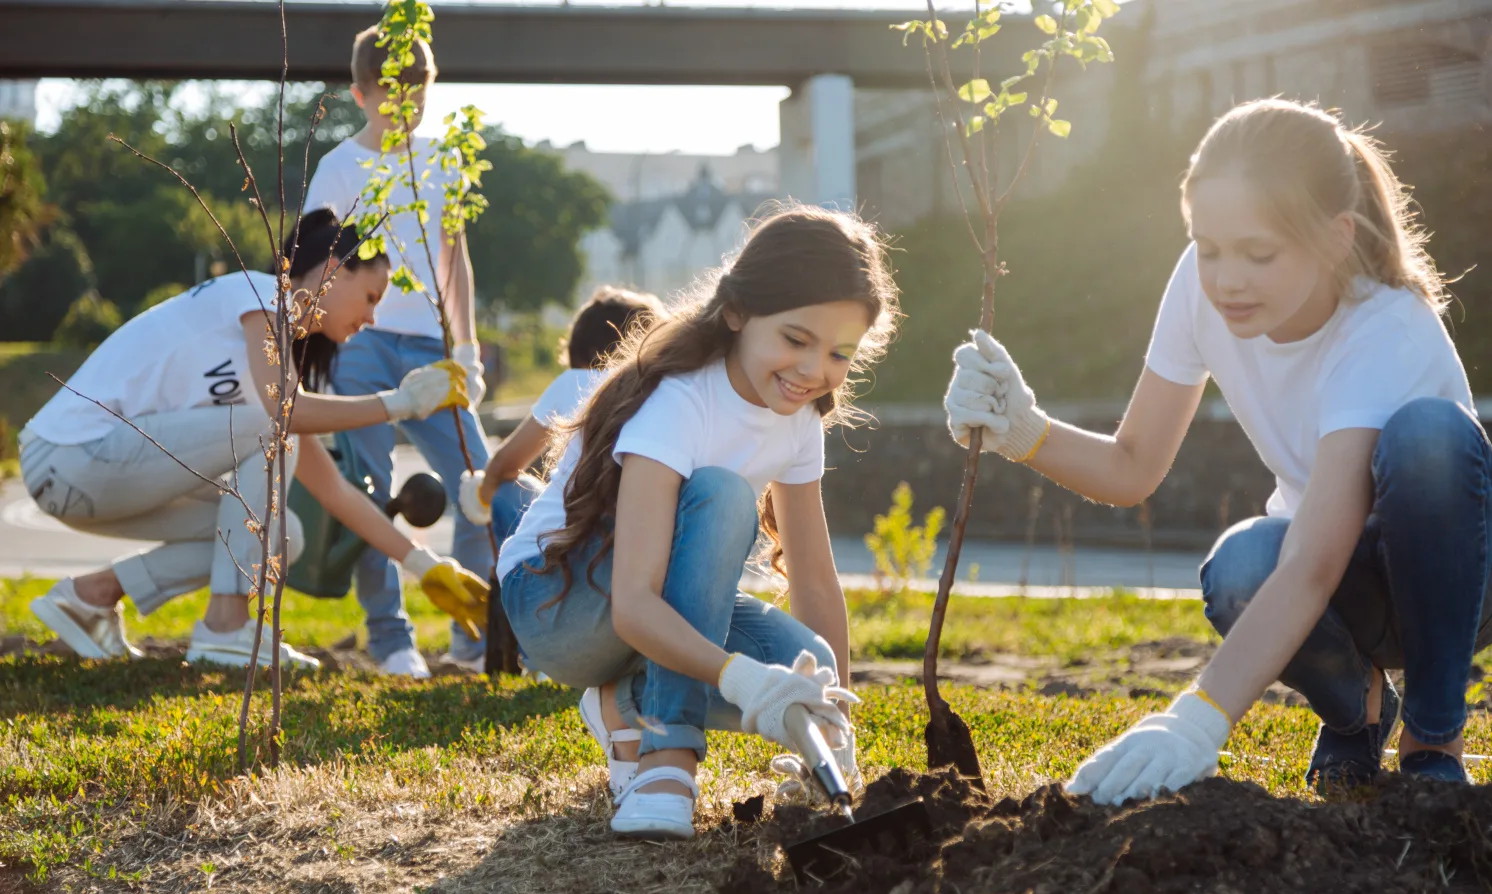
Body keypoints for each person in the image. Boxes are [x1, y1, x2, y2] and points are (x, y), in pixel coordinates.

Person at [944, 98, 1483, 804]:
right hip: (1341, 583)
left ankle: (1434, 734)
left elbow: (1317, 561)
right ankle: (1357, 718)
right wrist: (1025, 431)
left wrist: (1198, 717)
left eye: (1258, 254)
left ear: (1334, 237)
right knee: (1240, 566)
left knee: (1429, 440)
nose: (1227, 277)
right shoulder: (1203, 291)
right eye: (1209, 247)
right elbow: (1132, 466)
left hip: (1459, 579)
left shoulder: (1386, 328)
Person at [496, 205, 899, 838]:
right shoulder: (679, 399)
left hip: (645, 602)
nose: (814, 370)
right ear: (737, 313)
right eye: (795, 340)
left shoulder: (799, 419)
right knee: (722, 494)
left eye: (839, 353)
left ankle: (621, 702)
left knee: (807, 662)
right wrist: (743, 680)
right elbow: (633, 604)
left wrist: (833, 724)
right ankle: (666, 758)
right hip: (557, 602)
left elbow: (816, 585)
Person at [21, 211, 489, 669]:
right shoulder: (259, 294)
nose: (371, 318)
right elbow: (285, 415)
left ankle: (90, 597)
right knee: (275, 427)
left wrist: (425, 565)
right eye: (370, 296)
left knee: (284, 534)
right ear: (332, 270)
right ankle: (225, 629)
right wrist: (400, 403)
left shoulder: (270, 365)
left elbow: (335, 492)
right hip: (68, 458)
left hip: (99, 477)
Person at [303, 23, 491, 678]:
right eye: (390, 91)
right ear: (359, 93)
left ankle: (473, 637)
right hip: (360, 345)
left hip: (432, 348)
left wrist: (466, 350)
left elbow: (455, 256)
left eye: (417, 88)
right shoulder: (338, 168)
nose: (404, 101)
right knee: (371, 489)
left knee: (478, 484)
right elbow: (314, 267)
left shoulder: (446, 159)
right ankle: (391, 640)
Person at [454, 286, 665, 630]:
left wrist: (481, 492)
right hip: (630, 557)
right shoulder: (659, 390)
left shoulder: (578, 381)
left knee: (511, 487)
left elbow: (507, 463)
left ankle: (519, 626)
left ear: (579, 349)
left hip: (561, 557)